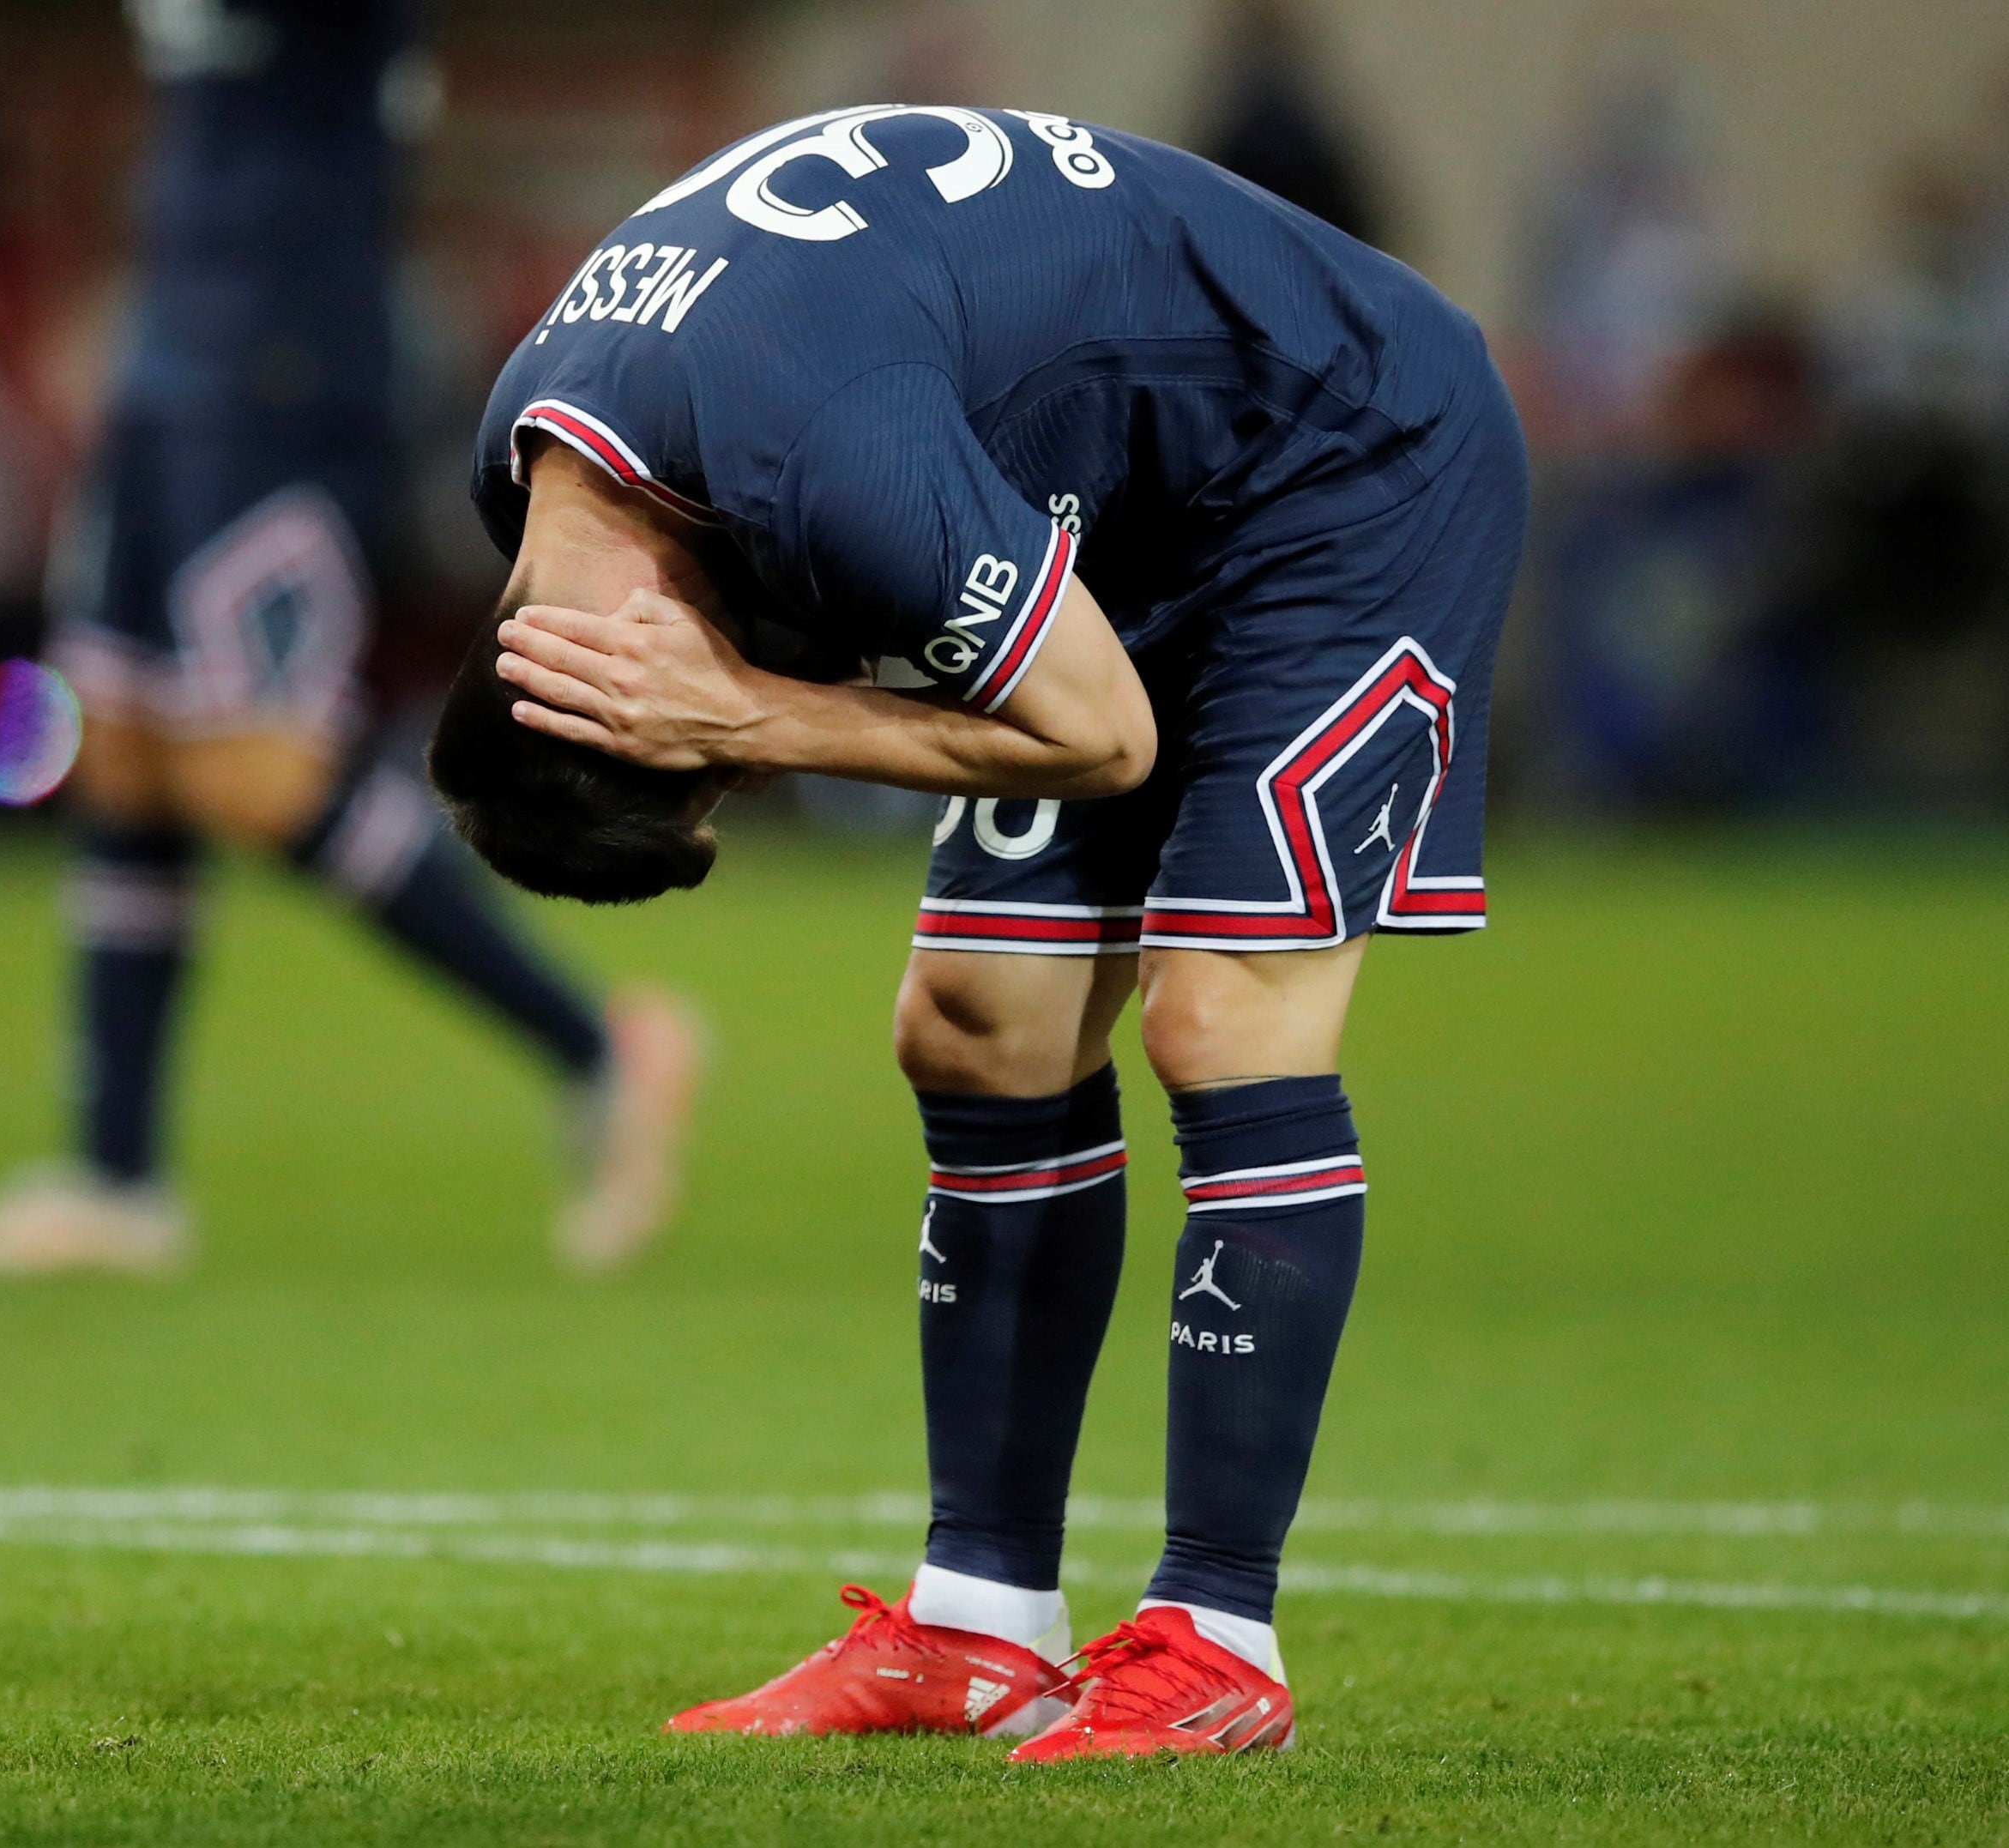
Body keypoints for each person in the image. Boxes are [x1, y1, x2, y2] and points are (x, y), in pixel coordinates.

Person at [429, 106, 1525, 1758]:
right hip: (1115, 497)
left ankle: (1218, 1631)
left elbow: (1102, 734)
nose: (734, 766)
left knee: (1221, 1017)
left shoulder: (823, 464)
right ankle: (981, 1623)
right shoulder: (535, 454)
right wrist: (730, 707)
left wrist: (759, 714)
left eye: (704, 777)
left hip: (1346, 460)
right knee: (973, 1017)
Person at [0, 0, 699, 1281]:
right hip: (174, 349)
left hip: (283, 364)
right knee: (118, 746)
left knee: (256, 763)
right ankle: (117, 1178)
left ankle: (600, 1044)